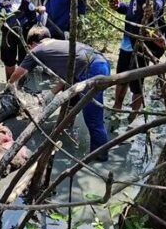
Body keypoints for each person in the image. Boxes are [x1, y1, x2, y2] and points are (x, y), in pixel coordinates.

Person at [8, 27, 110, 161]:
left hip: (92, 70)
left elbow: (18, 72)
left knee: (93, 118)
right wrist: (51, 93)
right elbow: (68, 77)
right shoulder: (59, 45)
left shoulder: (37, 50)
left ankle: (100, 157)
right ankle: (67, 125)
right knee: (74, 102)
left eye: (29, 47)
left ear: (31, 44)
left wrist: (9, 85)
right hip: (101, 63)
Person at [109, 0, 166, 119]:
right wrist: (120, 7)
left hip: (143, 40)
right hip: (128, 38)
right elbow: (134, 10)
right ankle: (116, 109)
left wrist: (154, 8)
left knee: (137, 81)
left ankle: (133, 116)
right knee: (121, 76)